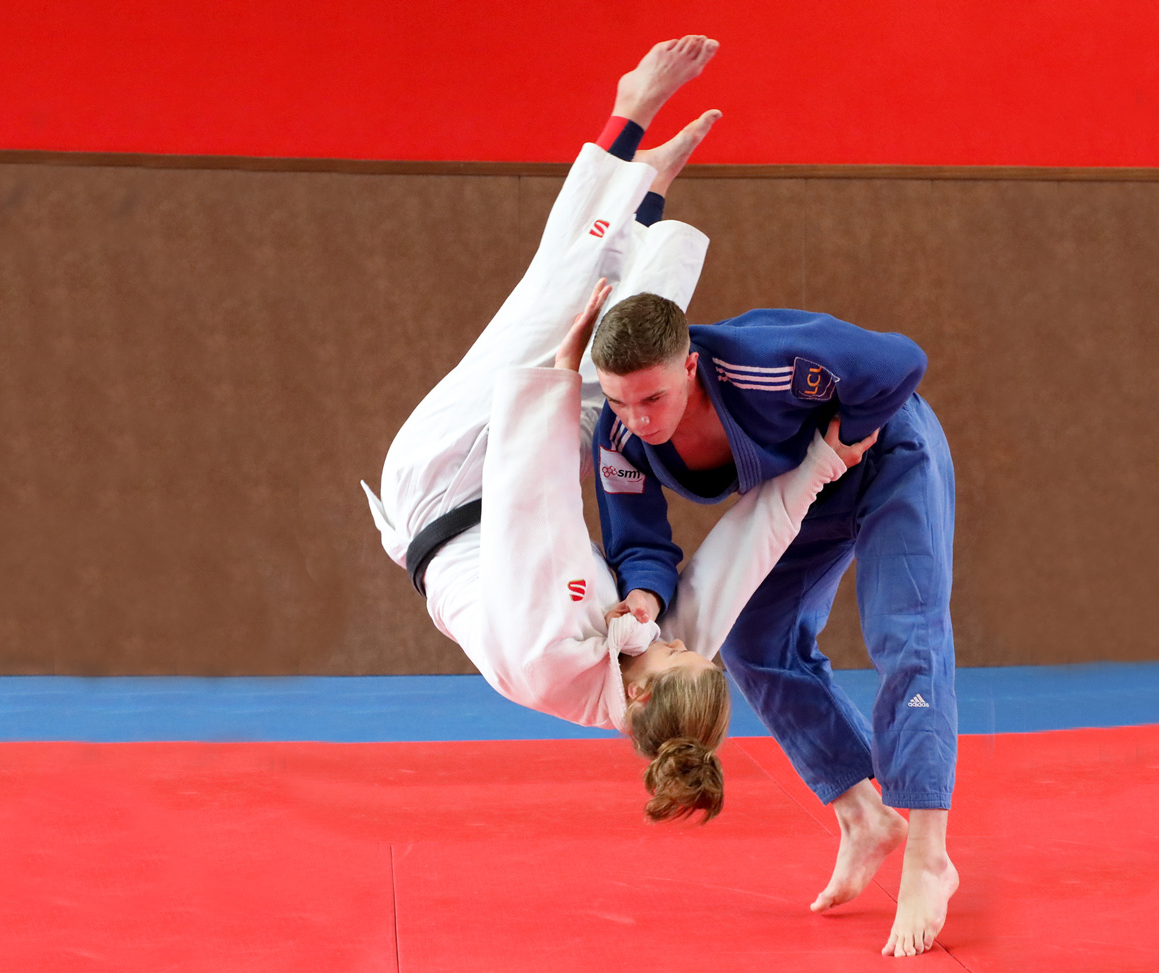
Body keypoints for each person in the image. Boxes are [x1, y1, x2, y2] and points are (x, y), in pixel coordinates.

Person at [361, 37, 873, 822]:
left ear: (637, 701)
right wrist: (819, 465)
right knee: (635, 382)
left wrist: (554, 379)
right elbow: (741, 556)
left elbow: (539, 512)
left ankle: (628, 116)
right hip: (507, 487)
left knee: (553, 310)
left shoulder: (546, 657)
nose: (671, 637)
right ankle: (647, 198)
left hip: (442, 484)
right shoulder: (664, 665)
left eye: (670, 650)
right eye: (682, 645)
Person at [589, 293, 959, 955]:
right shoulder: (617, 436)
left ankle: (929, 851)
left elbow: (902, 359)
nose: (636, 419)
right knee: (755, 641)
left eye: (652, 399)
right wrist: (644, 596)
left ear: (692, 367)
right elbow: (637, 540)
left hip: (888, 453)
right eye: (618, 400)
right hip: (813, 487)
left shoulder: (767, 361)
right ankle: (862, 816)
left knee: (905, 632)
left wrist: (850, 432)